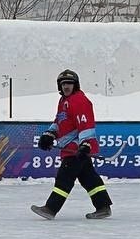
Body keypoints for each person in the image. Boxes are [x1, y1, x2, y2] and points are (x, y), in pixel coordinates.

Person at [30, 69, 112, 221]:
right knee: (89, 179)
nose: (66, 86)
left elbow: (85, 125)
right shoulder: (63, 101)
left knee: (64, 178)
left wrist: (85, 145)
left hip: (76, 150)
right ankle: (103, 207)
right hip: (71, 150)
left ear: (76, 85)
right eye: (63, 84)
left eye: (69, 83)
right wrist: (49, 135)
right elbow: (59, 121)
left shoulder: (79, 101)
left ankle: (50, 208)